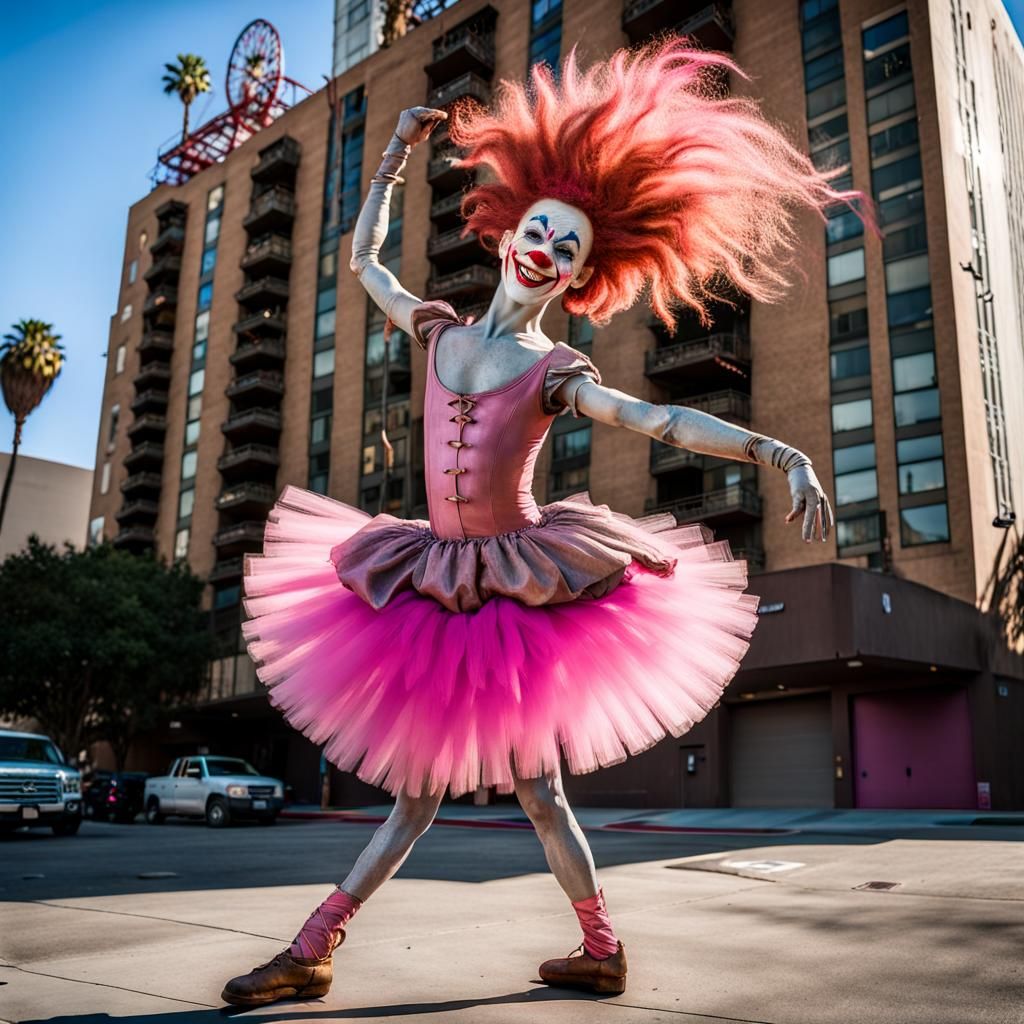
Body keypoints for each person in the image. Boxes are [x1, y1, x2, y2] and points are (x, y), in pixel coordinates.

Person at [221, 37, 863, 1008]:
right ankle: (369, 947)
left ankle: (341, 946)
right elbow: (360, 262)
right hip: (432, 577)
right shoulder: (435, 326)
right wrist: (392, 153)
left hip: (513, 588)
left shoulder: (554, 368)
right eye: (541, 230)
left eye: (568, 249)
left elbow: (652, 418)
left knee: (519, 791)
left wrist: (772, 449)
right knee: (438, 792)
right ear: (509, 225)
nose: (548, 251)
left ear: (573, 277)